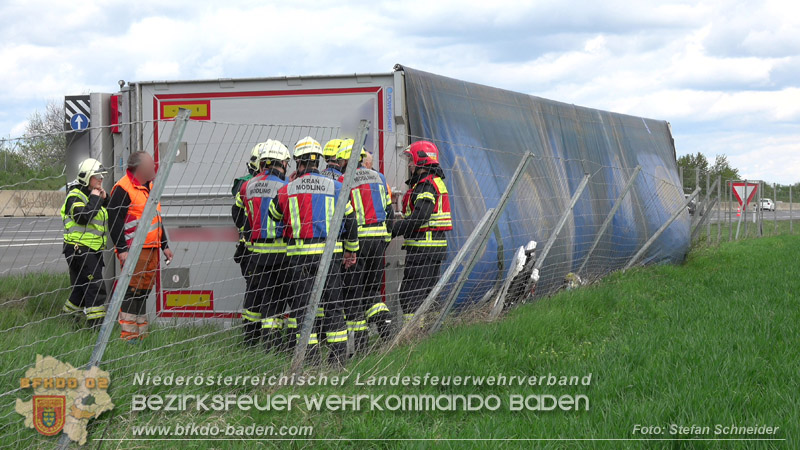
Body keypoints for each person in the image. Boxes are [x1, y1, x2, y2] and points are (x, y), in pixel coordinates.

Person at [268, 136, 359, 366]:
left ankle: (309, 361)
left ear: (298, 162)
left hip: (299, 257)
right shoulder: (338, 187)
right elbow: (351, 220)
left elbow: (273, 217)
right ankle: (337, 360)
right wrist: (350, 250)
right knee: (334, 306)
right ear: (318, 161)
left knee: (303, 309)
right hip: (330, 256)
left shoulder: (285, 190)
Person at [107, 151, 174, 341]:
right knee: (131, 291)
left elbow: (157, 220)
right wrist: (122, 250)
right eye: (151, 165)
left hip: (152, 249)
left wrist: (165, 246)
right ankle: (129, 336)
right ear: (139, 169)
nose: (154, 167)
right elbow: (114, 221)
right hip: (134, 251)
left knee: (144, 291)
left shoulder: (151, 187)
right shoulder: (123, 188)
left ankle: (141, 334)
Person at [334, 140, 394, 353]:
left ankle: (360, 348)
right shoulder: (379, 177)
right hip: (378, 242)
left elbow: (344, 217)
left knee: (353, 294)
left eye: (340, 160)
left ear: (346, 160)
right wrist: (384, 239)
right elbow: (390, 213)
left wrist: (346, 247)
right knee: (373, 293)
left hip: (357, 243)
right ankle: (388, 335)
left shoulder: (343, 181)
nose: (339, 163)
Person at [232, 140, 291, 350]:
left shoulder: (247, 186)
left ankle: (252, 342)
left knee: (260, 297)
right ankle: (275, 345)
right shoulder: (286, 187)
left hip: (257, 254)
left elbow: (237, 214)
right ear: (282, 163)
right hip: (283, 253)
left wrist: (247, 234)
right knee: (279, 300)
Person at [391, 141, 452, 325]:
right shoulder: (432, 182)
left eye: (411, 159)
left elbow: (420, 217)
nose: (409, 164)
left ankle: (413, 335)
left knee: (410, 296)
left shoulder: (426, 185)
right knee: (427, 296)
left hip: (423, 250)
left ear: (421, 160)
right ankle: (428, 333)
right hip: (432, 248)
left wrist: (392, 230)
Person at [60, 158, 109, 329]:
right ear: (86, 177)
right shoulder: (75, 196)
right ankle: (96, 329)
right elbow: (82, 217)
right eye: (97, 176)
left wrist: (105, 199)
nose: (101, 179)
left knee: (81, 290)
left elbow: (102, 215)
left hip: (90, 250)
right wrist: (96, 199)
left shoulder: (92, 195)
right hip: (79, 250)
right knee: (95, 287)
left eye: (101, 176)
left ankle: (67, 321)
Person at [231, 144, 263, 290]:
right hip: (256, 247)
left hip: (250, 246)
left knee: (254, 289)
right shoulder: (247, 183)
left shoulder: (243, 183)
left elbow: (237, 215)